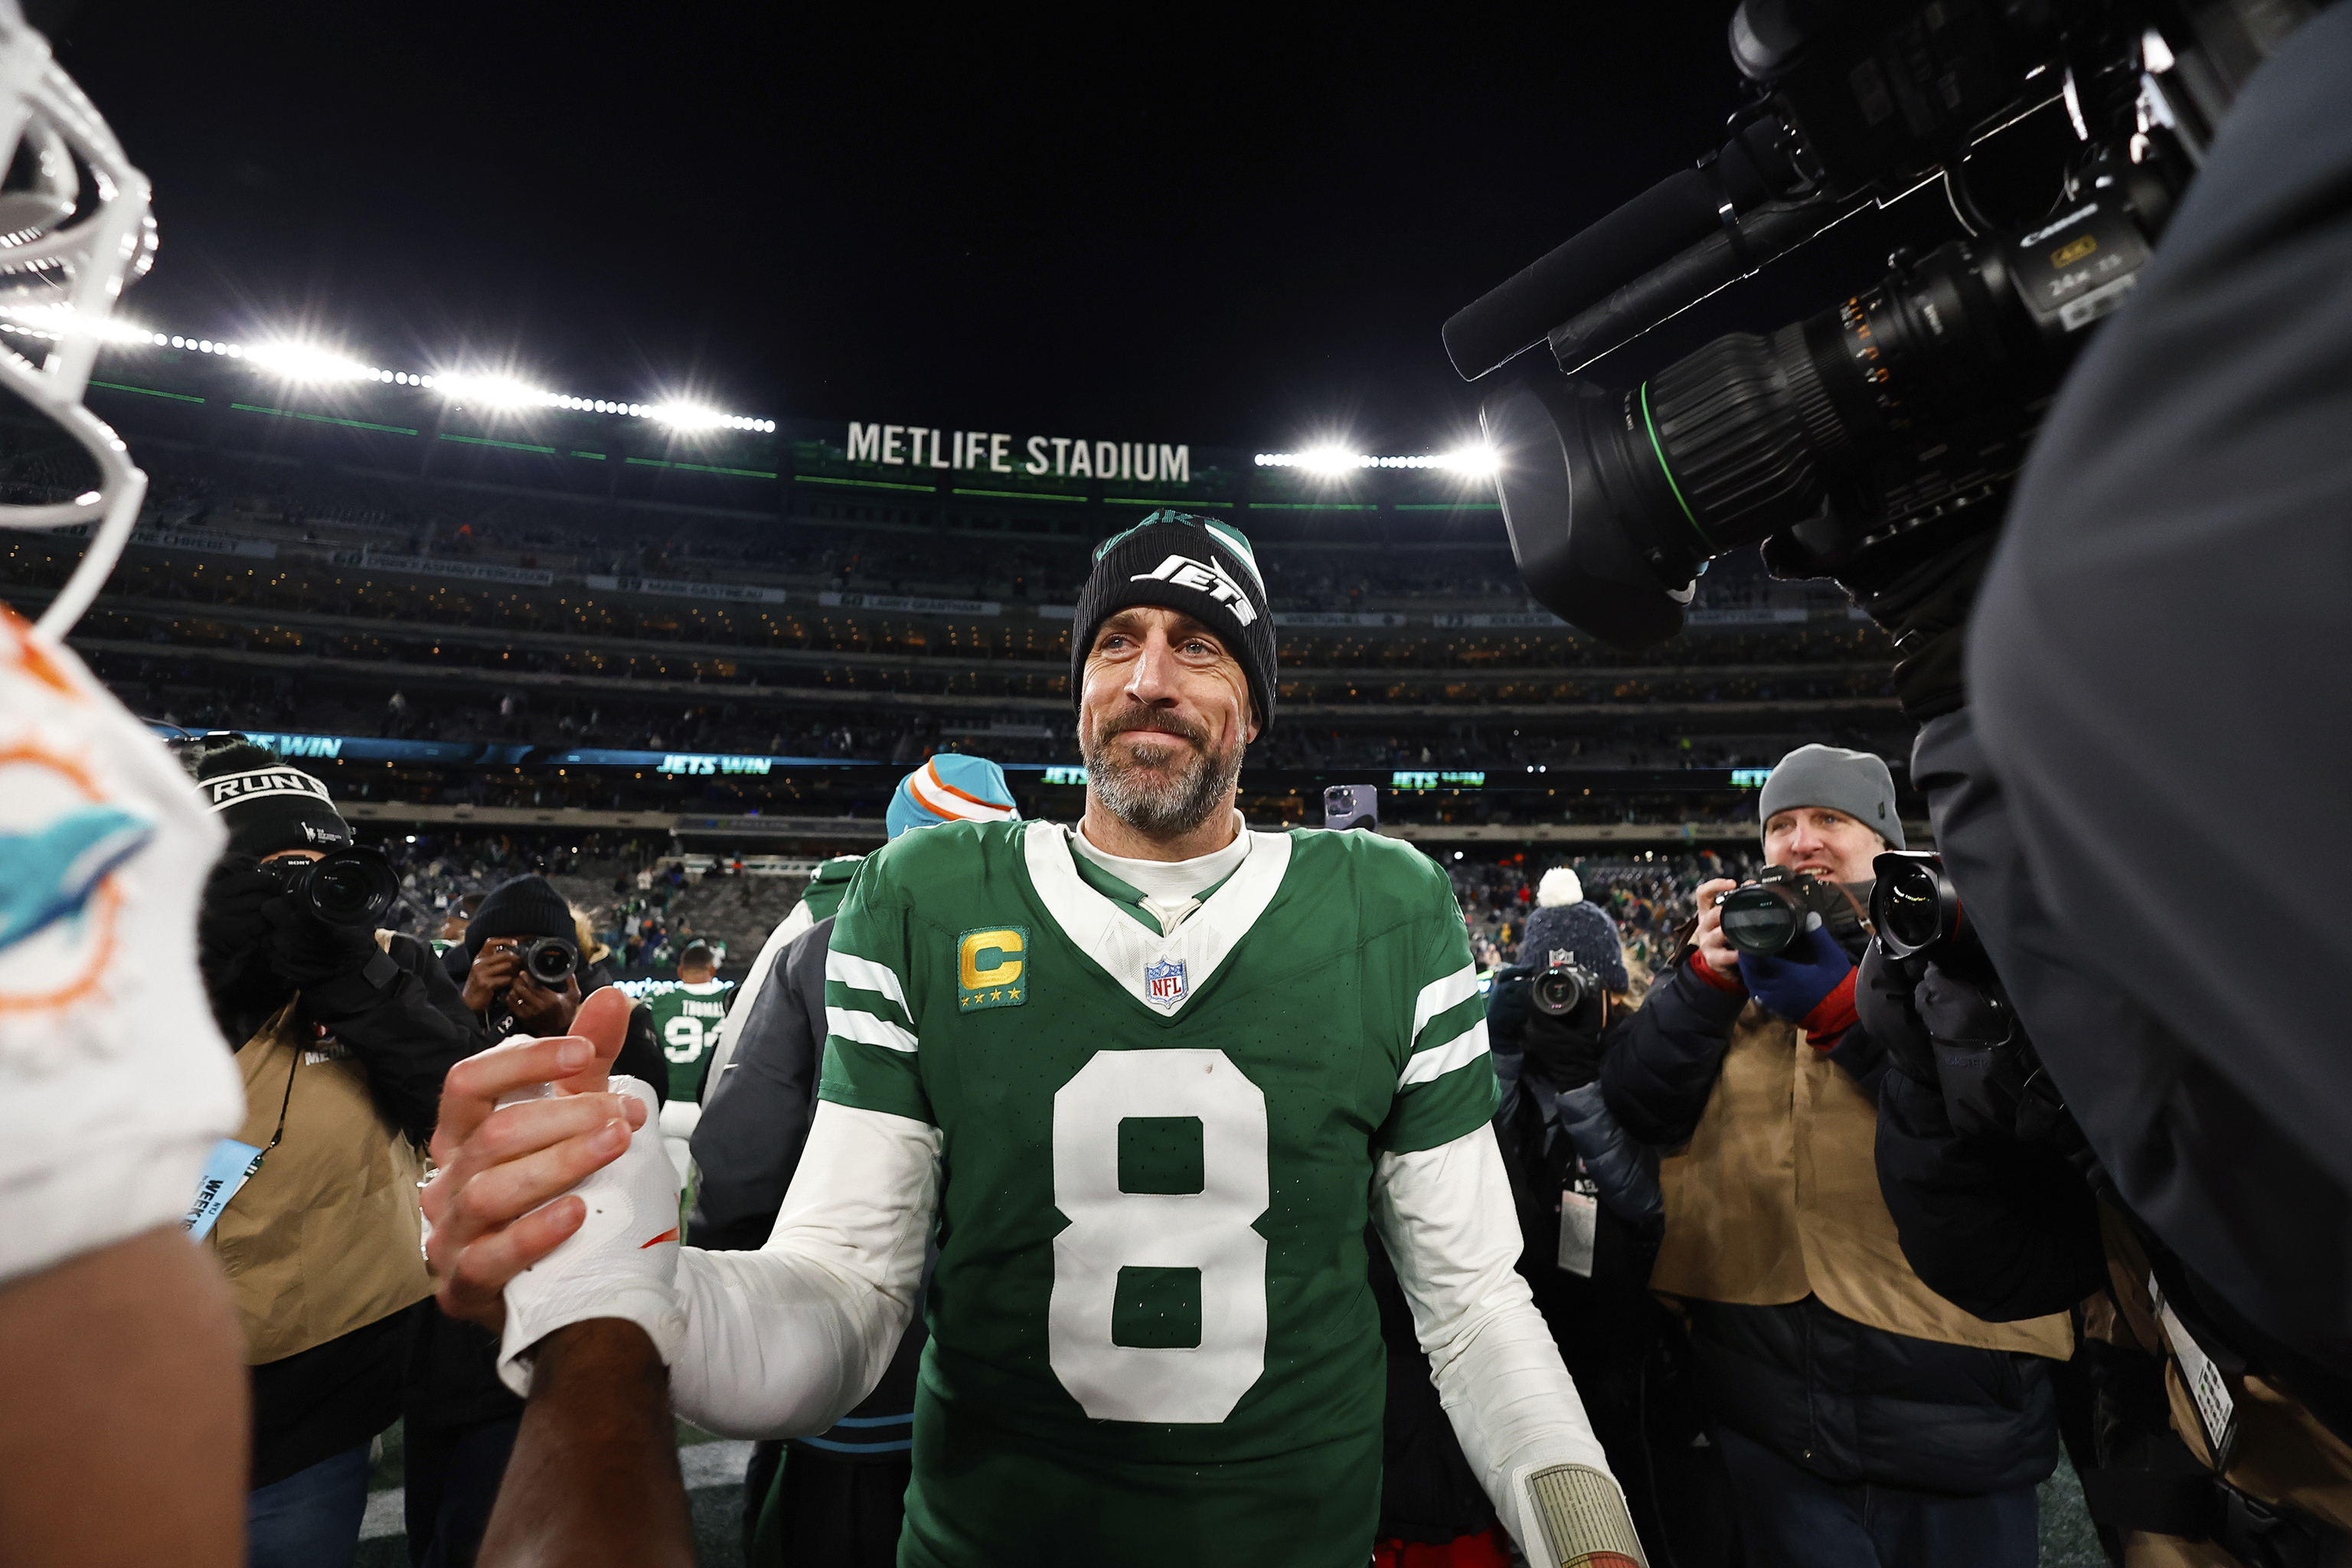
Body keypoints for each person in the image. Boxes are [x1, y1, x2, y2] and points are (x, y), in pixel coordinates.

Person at [422, 510, 1648, 1567]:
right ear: (1078, 687)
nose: (1150, 675)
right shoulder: (928, 894)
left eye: (1201, 646)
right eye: (1118, 641)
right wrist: (625, 1285)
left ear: (1255, 707)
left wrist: (1588, 1532)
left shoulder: (1389, 905)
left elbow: (1475, 1308)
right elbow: (845, 1296)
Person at [1599, 743, 2073, 1568]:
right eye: (1781, 824)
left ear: (1884, 844)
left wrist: (1847, 1012)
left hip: (1951, 1377)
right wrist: (1702, 986)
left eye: (1829, 819)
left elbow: (2003, 1124)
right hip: (1769, 1395)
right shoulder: (1734, 956)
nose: (1801, 839)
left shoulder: (1963, 943)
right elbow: (1637, 1100)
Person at [690, 753, 1020, 1566]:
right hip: (1024, 1375)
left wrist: (749, 1287)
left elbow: (741, 1158)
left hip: (858, 1373)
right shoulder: (1077, 958)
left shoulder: (822, 943)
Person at [188, 741, 478, 1568]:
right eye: (270, 868)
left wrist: (360, 988)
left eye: (322, 867)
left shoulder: (395, 964)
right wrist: (201, 977)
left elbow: (465, 1112)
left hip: (324, 1397)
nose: (302, 890)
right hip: (132, 1379)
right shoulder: (117, 970)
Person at [402, 874, 665, 1568]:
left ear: (572, 958)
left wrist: (570, 1030)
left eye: (541, 952)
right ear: (473, 950)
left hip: (553, 1301)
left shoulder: (610, 1013)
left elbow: (643, 1107)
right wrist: (467, 1007)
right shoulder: (439, 1003)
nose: (524, 968)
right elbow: (416, 1108)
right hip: (445, 1323)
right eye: (503, 951)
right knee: (432, 1523)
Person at [645, 939, 732, 1184]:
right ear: (712, 971)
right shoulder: (728, 998)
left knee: (671, 1189)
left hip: (666, 1109)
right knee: (713, 1191)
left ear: (680, 972)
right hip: (712, 1108)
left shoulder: (659, 998)